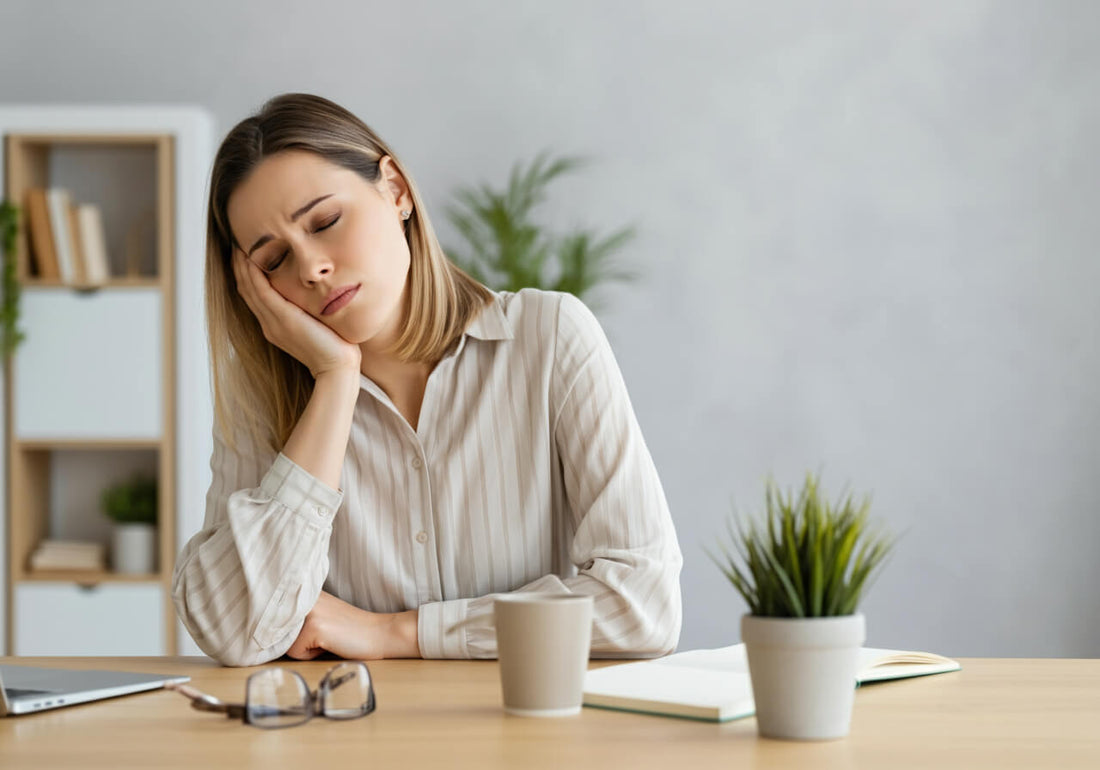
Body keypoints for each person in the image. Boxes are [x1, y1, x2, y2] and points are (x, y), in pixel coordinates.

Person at [172, 93, 682, 667]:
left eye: (325, 222)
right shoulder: (262, 398)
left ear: (396, 190)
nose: (311, 268)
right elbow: (236, 632)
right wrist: (335, 380)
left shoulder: (551, 337)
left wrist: (397, 634)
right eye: (273, 261)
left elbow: (643, 606)